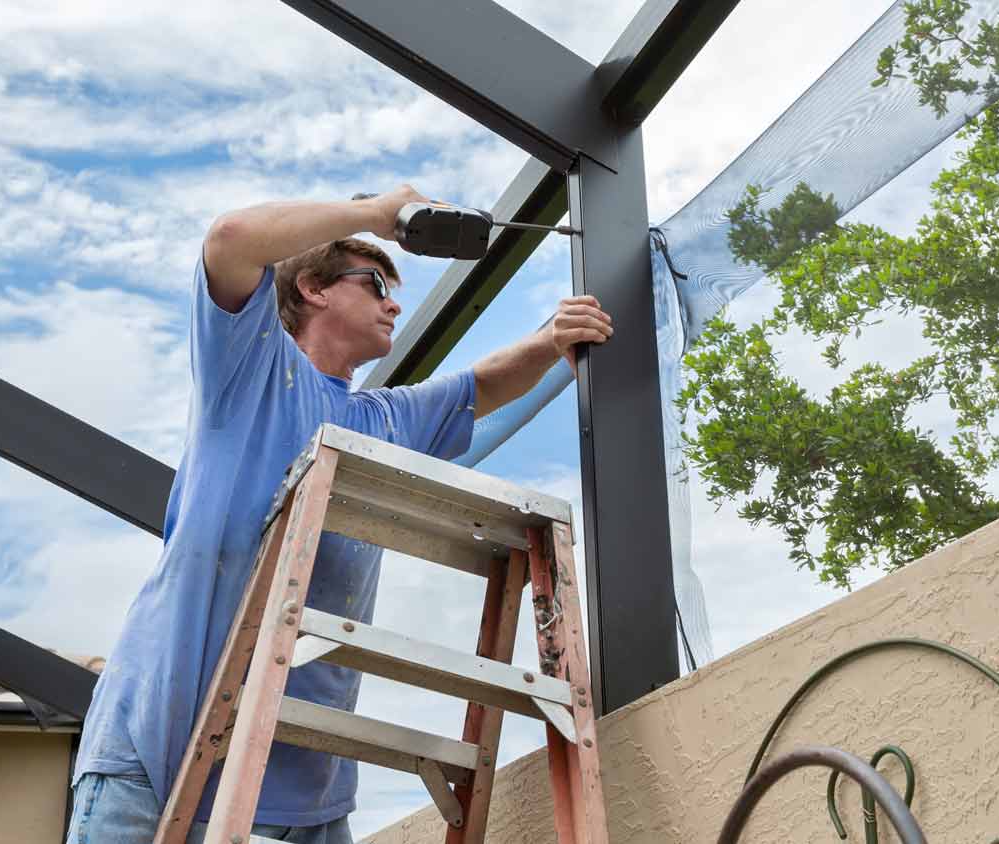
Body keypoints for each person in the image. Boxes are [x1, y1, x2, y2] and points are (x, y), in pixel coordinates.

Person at [65, 186, 613, 843]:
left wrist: (553, 338)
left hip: (300, 783)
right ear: (314, 290)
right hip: (157, 754)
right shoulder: (252, 370)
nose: (395, 302)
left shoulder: (380, 421)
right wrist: (379, 213)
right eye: (376, 282)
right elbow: (230, 241)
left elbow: (483, 384)